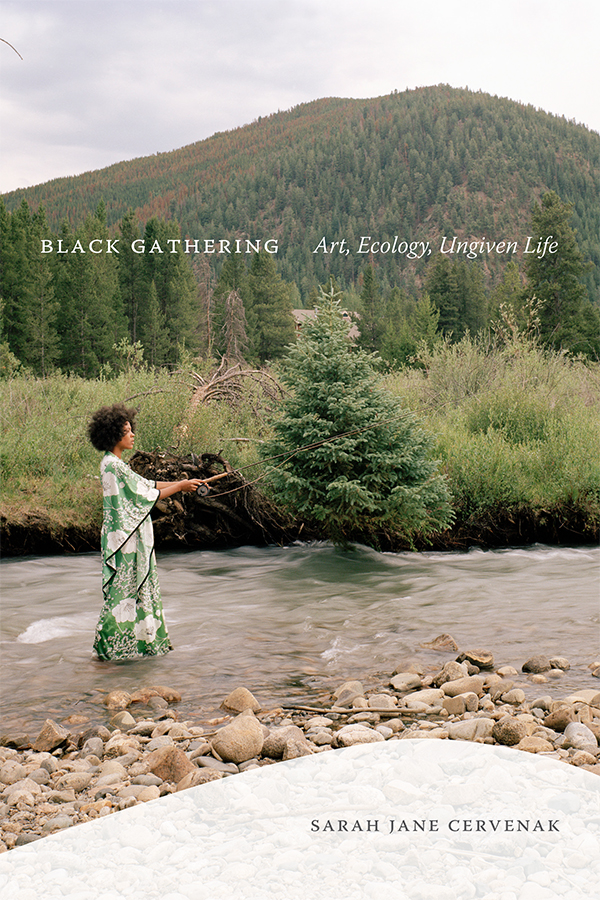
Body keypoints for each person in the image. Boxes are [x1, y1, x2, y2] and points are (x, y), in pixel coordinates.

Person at [87, 403, 204, 661]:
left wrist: (183, 485)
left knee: (128, 592)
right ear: (113, 435)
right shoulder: (114, 466)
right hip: (124, 540)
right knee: (122, 593)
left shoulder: (112, 463)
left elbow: (145, 484)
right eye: (127, 431)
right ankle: (111, 648)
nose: (132, 435)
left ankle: (131, 646)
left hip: (122, 536)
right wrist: (181, 486)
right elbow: (147, 494)